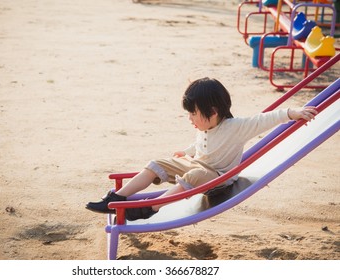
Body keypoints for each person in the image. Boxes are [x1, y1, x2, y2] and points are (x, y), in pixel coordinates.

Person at [86, 77, 317, 221]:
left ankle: (151, 208)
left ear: (213, 112)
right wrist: (186, 153)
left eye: (193, 114)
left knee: (195, 174)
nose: (190, 118)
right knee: (157, 163)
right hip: (197, 165)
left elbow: (264, 119)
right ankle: (116, 197)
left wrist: (292, 113)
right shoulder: (206, 125)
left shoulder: (236, 127)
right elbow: (199, 145)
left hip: (218, 178)